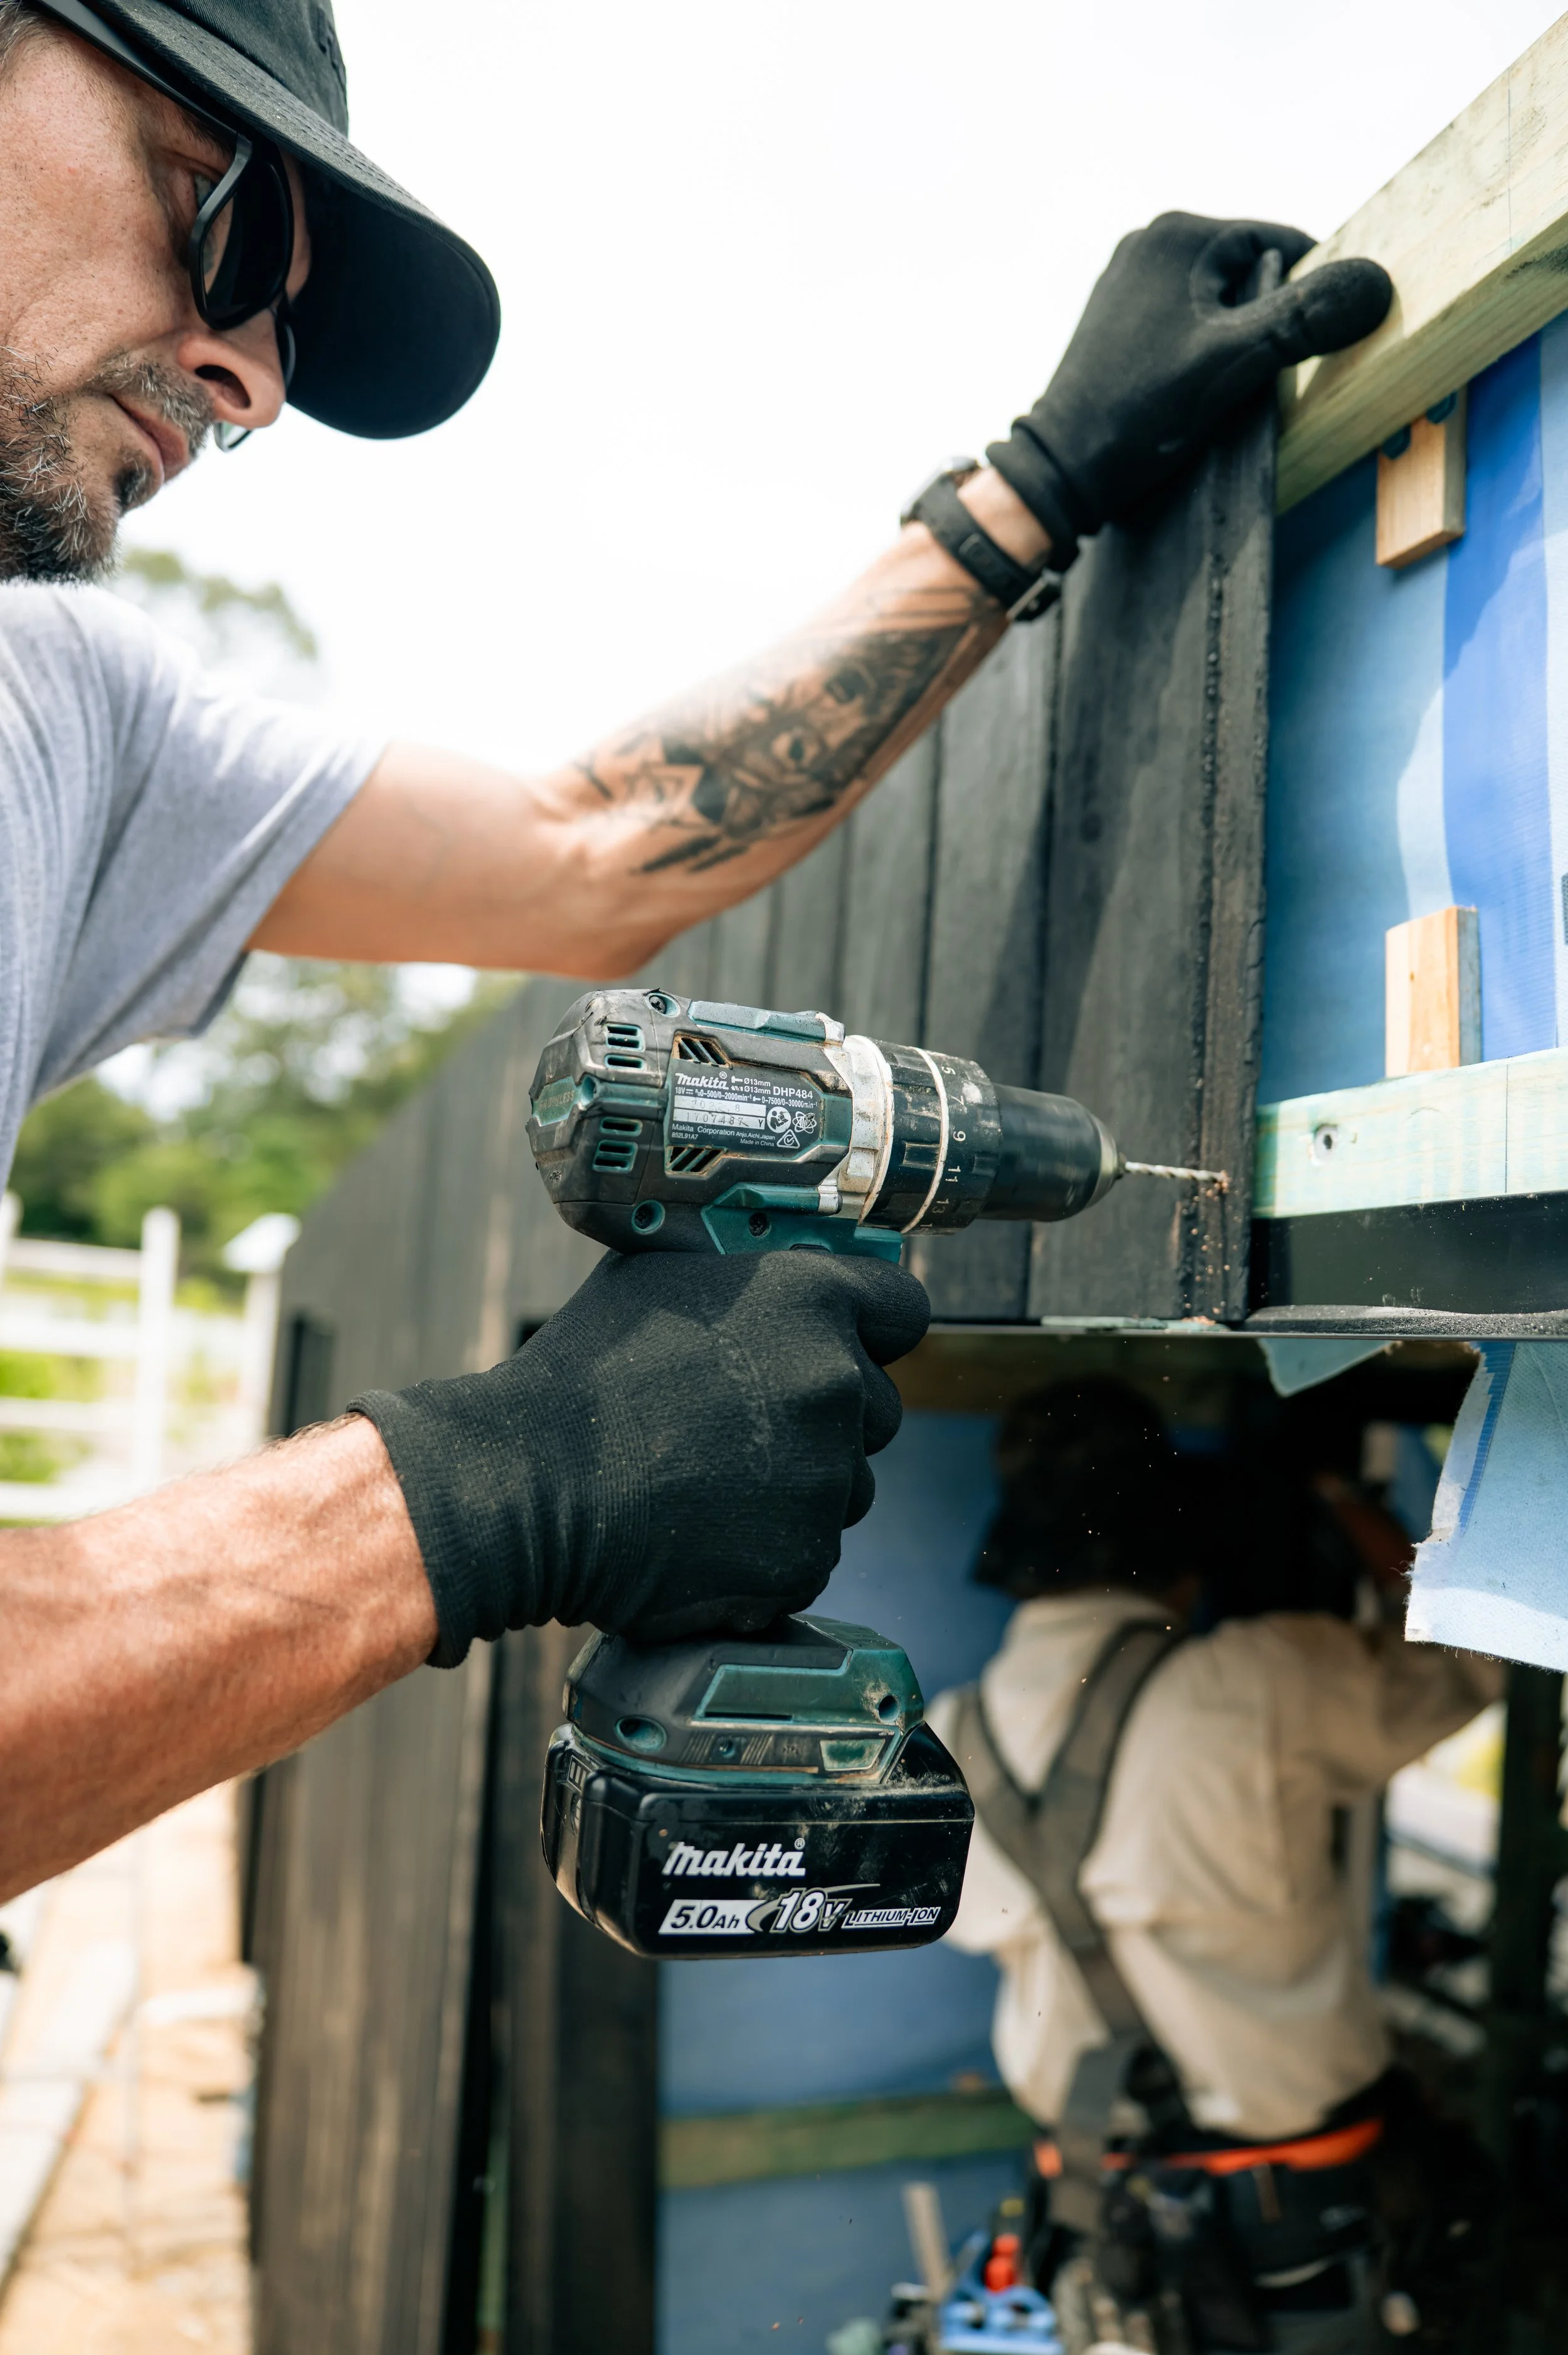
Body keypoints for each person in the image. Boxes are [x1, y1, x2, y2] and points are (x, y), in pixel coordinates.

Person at [0, 0, 1394, 1903]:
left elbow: (593, 851)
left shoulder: (63, 711)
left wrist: (1035, 485)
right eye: (216, 206)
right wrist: (502, 1479)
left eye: (283, 335)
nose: (246, 377)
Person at [931, 1382, 1503, 2352]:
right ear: (1184, 1558)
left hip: (1100, 2234)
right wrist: (1356, 1512)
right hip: (1306, 2232)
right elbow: (1480, 1651)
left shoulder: (943, 1737)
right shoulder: (1260, 1682)